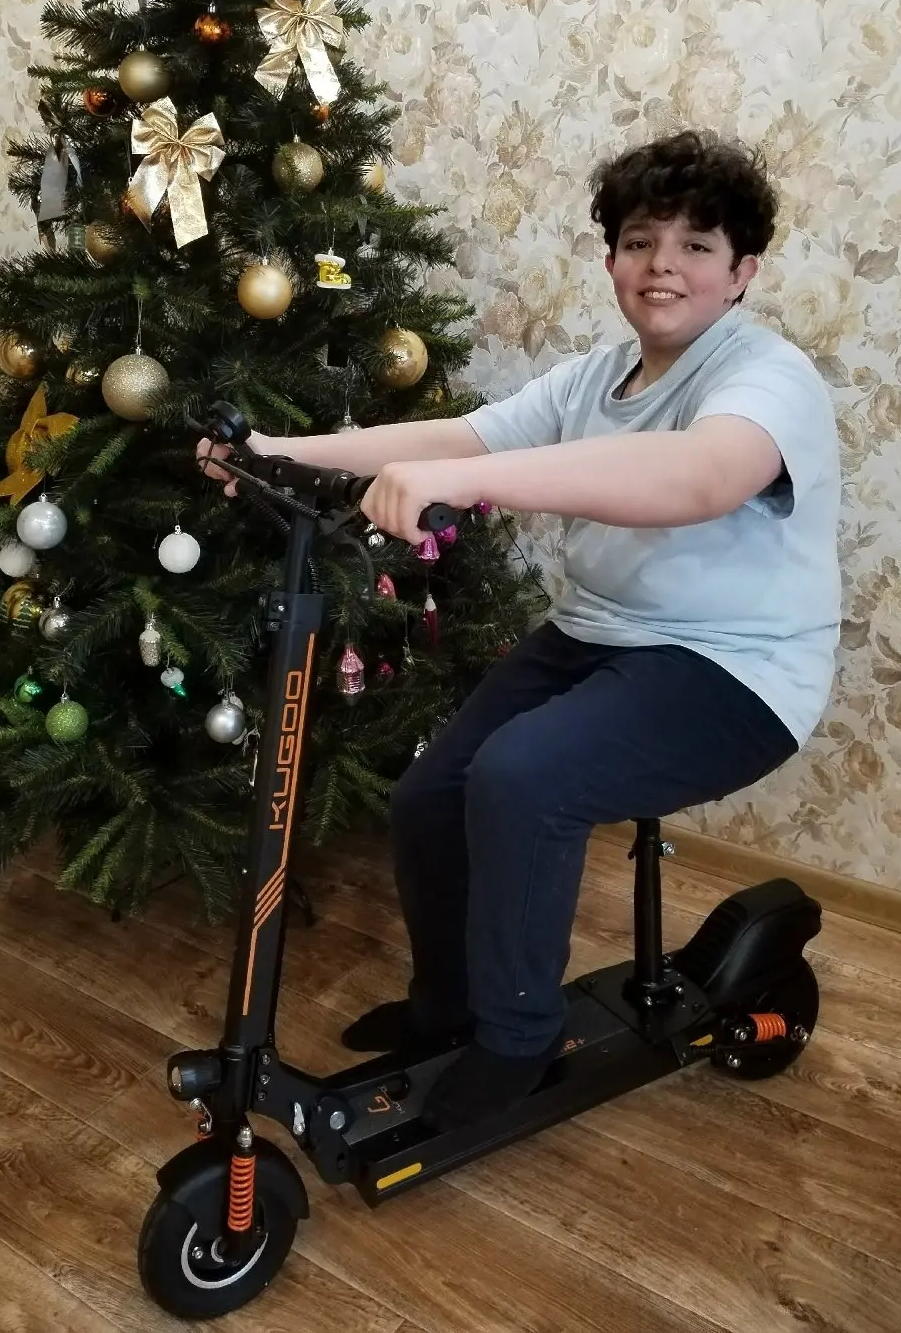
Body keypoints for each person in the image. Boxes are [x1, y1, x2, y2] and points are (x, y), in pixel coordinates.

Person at [196, 130, 842, 1130]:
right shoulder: (596, 379)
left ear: (742, 271)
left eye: (696, 245)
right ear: (611, 260)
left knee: (522, 778)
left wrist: (469, 482)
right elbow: (458, 436)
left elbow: (702, 476)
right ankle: (449, 1007)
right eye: (640, 242)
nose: (663, 265)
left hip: (735, 668)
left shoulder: (765, 376)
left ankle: (516, 1035)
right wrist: (284, 451)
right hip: (598, 636)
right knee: (430, 796)